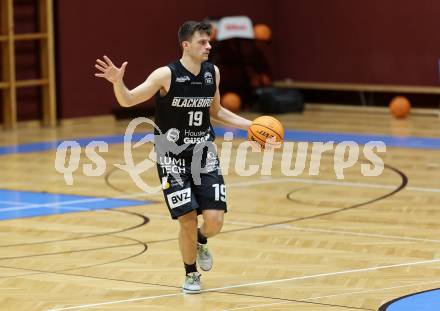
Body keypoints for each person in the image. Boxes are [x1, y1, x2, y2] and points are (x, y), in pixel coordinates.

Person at [94, 20, 251, 294]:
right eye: (203, 42)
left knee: (214, 220)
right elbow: (128, 100)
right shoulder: (165, 75)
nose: (209, 46)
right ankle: (191, 274)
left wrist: (253, 126)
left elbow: (217, 111)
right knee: (187, 218)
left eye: (209, 41)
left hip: (204, 154)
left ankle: (202, 240)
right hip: (172, 157)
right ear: (186, 45)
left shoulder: (212, 72)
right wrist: (118, 83)